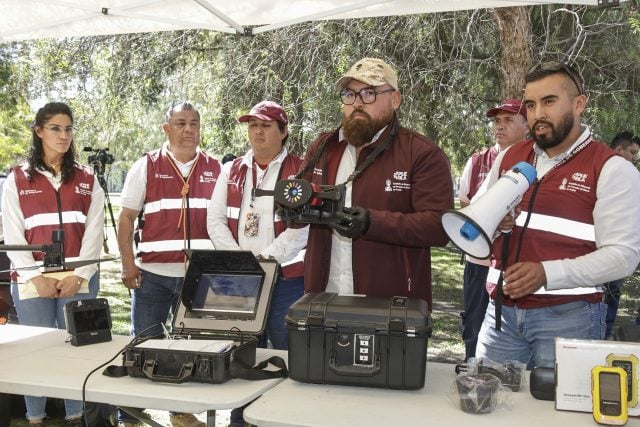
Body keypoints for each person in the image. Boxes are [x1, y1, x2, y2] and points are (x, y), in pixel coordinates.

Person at [475, 61, 640, 369]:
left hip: (569, 319)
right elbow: (477, 223)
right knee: (485, 408)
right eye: (531, 104)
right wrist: (495, 225)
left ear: (579, 104)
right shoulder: (510, 156)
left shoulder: (613, 168)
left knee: (558, 416)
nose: (538, 114)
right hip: (499, 316)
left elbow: (623, 256)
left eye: (549, 101)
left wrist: (547, 273)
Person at [298, 57, 454, 306]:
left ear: (395, 99)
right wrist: (294, 205)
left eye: (369, 93)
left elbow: (439, 226)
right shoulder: (323, 147)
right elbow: (301, 204)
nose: (357, 103)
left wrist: (373, 222)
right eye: (350, 94)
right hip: (322, 298)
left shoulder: (421, 153)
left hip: (390, 306)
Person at [117, 101, 220, 427]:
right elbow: (126, 219)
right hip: (152, 276)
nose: (188, 129)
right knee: (144, 342)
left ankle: (180, 411)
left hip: (197, 279)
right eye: (180, 123)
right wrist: (127, 265)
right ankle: (130, 413)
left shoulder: (216, 168)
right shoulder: (145, 166)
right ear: (167, 128)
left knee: (191, 348)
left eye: (194, 123)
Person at [2, 102, 104, 427]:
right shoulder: (16, 179)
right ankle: (35, 417)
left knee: (77, 348)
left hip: (79, 279)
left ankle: (76, 416)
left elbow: (95, 230)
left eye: (68, 129)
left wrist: (81, 274)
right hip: (33, 282)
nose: (64, 135)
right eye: (56, 128)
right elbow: (13, 234)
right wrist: (35, 277)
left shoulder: (88, 178)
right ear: (39, 131)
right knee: (34, 351)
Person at [207, 101, 307, 427]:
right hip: (242, 281)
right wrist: (241, 262)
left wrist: (265, 261)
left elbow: (302, 228)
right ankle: (241, 419)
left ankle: (284, 418)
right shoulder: (231, 169)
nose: (258, 131)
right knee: (244, 354)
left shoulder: (301, 170)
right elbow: (215, 220)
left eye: (265, 125)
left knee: (288, 353)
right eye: (252, 125)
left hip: (286, 280)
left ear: (283, 131)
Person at [458, 99, 528, 361]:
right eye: (497, 121)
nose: (500, 126)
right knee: (474, 317)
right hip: (479, 259)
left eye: (509, 120)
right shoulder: (477, 161)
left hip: (513, 262)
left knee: (506, 325)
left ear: (527, 126)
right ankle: (470, 364)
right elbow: (465, 205)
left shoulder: (537, 162)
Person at [602, 131, 640, 337]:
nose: (634, 158)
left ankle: (605, 333)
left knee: (612, 292)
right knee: (605, 294)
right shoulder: (599, 170)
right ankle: (601, 334)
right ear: (618, 150)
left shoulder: (630, 176)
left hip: (622, 246)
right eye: (632, 152)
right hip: (601, 247)